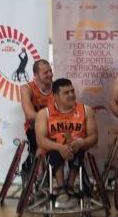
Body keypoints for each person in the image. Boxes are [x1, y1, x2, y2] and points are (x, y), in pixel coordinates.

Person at [34, 78, 99, 208]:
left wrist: (81, 142)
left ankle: (70, 186)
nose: (71, 95)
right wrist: (59, 147)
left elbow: (94, 137)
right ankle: (61, 187)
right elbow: (40, 140)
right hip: (54, 149)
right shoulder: (44, 114)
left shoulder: (86, 110)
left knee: (78, 151)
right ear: (55, 96)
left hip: (77, 148)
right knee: (55, 151)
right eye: (66, 93)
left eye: (72, 91)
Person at [19, 59, 53, 174]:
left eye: (50, 71)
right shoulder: (27, 88)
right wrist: (52, 117)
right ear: (36, 75)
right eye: (46, 72)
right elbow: (30, 114)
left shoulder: (57, 88)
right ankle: (38, 177)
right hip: (34, 128)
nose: (50, 74)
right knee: (41, 145)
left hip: (54, 127)